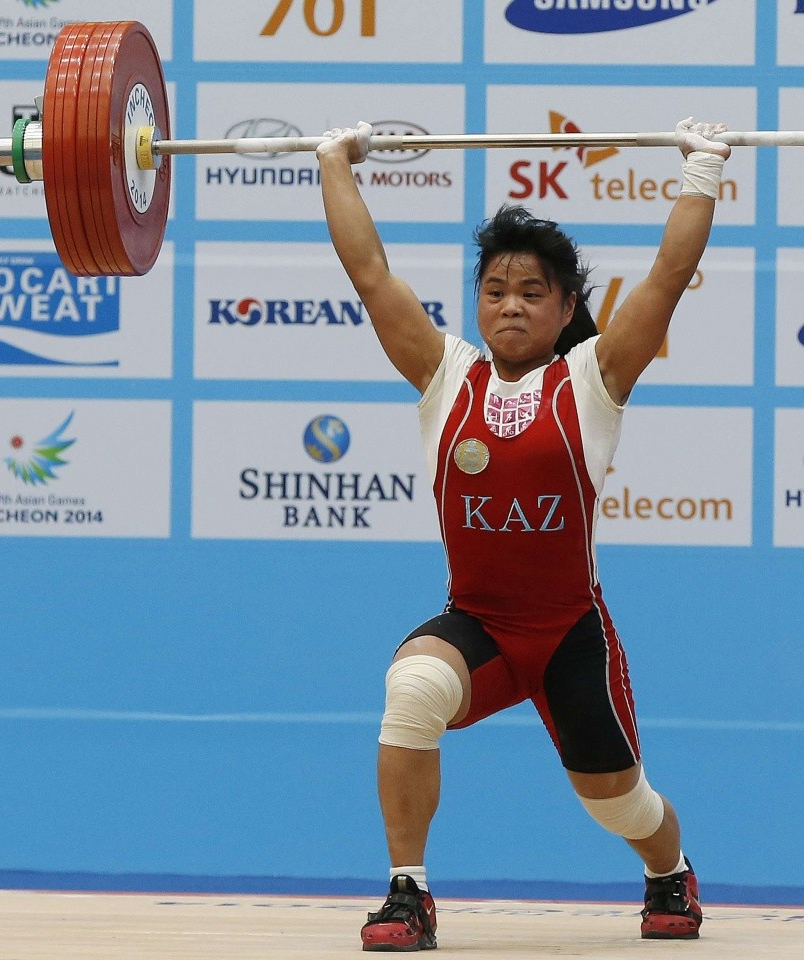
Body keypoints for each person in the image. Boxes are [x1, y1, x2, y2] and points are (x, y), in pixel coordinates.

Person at [317, 116, 730, 951]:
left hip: (570, 634)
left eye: (532, 291)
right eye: (496, 289)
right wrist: (335, 162)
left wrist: (702, 169)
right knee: (411, 691)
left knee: (620, 803)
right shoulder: (444, 374)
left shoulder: (596, 377)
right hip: (480, 625)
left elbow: (670, 272)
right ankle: (408, 894)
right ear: (476, 301)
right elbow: (368, 273)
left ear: (567, 306)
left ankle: (669, 872)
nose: (510, 304)